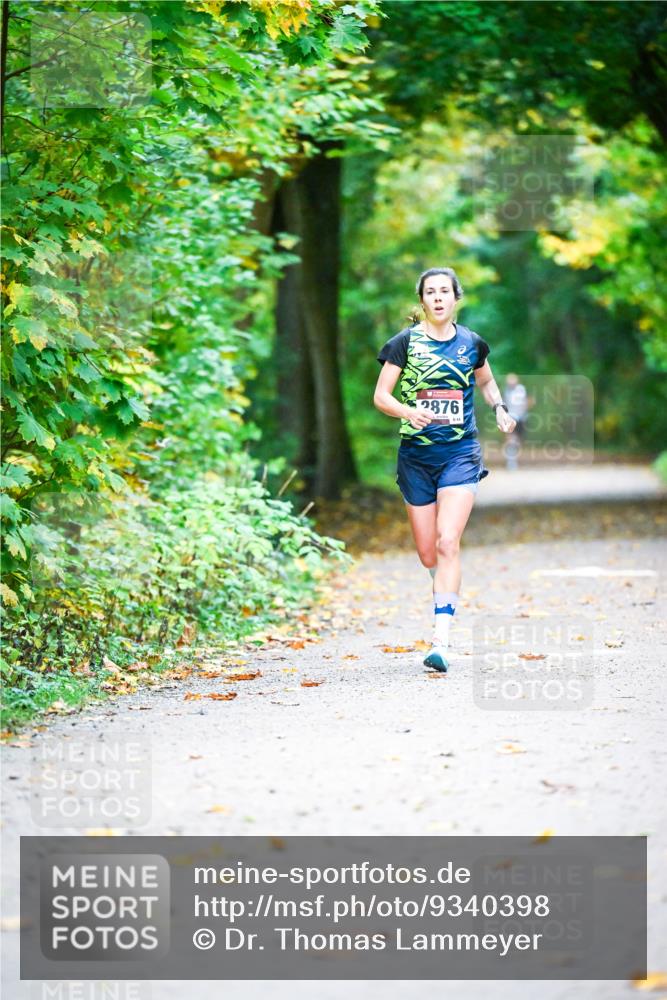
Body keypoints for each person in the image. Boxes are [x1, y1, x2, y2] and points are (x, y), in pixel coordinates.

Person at [373, 267, 516, 672]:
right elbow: (381, 395)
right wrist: (406, 410)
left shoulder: (472, 343)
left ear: (456, 298)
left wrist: (500, 408)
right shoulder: (404, 343)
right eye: (430, 292)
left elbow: (486, 383)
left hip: (460, 453)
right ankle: (444, 589)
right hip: (416, 457)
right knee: (427, 552)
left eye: (444, 291)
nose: (438, 298)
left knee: (447, 541)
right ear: (422, 301)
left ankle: (441, 638)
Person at [503, 373, 530, 470]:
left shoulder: (521, 389)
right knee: (510, 439)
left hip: (521, 418)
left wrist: (525, 413)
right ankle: (511, 461)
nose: (511, 383)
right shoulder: (506, 391)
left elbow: (526, 402)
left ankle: (514, 458)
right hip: (511, 418)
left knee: (517, 441)